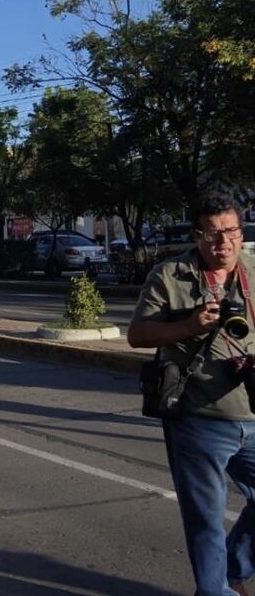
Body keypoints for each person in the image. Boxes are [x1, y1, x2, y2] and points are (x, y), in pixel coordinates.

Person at [128, 195, 255, 595]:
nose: (223, 242)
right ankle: (214, 590)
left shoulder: (252, 269)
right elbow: (138, 335)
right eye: (213, 233)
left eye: (231, 231)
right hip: (198, 415)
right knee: (206, 516)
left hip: (251, 411)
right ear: (198, 235)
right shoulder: (170, 275)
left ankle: (236, 563)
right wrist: (188, 326)